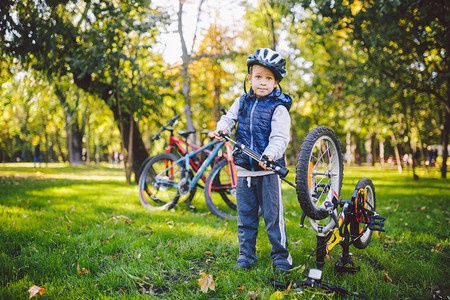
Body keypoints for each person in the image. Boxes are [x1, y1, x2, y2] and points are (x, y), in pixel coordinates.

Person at [209, 48, 293, 274]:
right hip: (245, 171)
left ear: (276, 82)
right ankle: (246, 255)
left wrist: (271, 154)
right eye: (258, 77)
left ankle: (281, 257)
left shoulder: (278, 108)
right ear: (249, 78)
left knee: (273, 218)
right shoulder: (242, 102)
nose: (263, 83)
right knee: (245, 218)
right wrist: (222, 128)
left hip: (268, 172)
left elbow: (280, 137)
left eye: (269, 78)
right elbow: (228, 118)